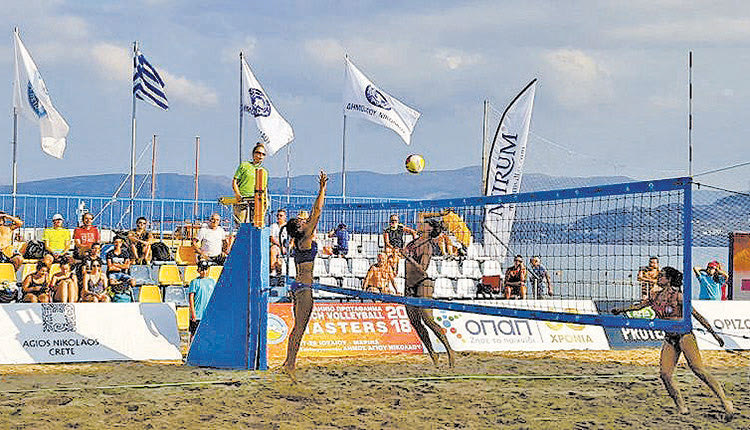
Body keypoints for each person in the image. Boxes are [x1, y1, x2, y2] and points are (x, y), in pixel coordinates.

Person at [612, 267, 734, 418]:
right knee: (665, 374)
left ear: (669, 279)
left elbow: (697, 315)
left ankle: (724, 401)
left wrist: (714, 335)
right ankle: (681, 406)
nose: (659, 277)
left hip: (684, 336)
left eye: (662, 275)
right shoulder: (655, 296)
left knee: (698, 369)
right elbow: (639, 306)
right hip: (670, 338)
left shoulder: (679, 296)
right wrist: (621, 310)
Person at [280, 170, 328, 380]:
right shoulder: (306, 238)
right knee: (299, 328)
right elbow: (317, 211)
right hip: (304, 289)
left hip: (297, 286)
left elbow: (312, 214)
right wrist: (322, 189)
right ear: (300, 227)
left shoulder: (299, 240)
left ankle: (288, 361)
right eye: (301, 220)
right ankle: (290, 364)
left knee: (297, 327)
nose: (304, 219)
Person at [402, 218, 456, 367]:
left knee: (428, 320)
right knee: (415, 322)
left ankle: (449, 350)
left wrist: (408, 257)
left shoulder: (427, 246)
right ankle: (432, 353)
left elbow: (422, 268)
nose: (420, 224)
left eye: (424, 223)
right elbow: (405, 255)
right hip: (409, 283)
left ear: (430, 229)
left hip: (423, 283)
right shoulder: (413, 242)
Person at [232, 142, 268, 225]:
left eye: (263, 154)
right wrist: (237, 194)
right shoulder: (244, 165)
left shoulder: (264, 172)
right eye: (258, 153)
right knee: (241, 226)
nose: (260, 156)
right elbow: (235, 181)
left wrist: (265, 203)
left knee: (256, 225)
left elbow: (264, 188)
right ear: (253, 153)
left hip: (257, 201)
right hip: (243, 199)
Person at [188, 260, 217, 341]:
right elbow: (191, 297)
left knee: (208, 333)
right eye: (202, 269)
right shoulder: (194, 282)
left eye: (206, 269)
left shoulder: (212, 281)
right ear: (198, 270)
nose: (204, 272)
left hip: (208, 313)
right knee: (194, 333)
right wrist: (193, 312)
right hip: (198, 313)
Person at [106, 237, 136, 302]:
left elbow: (127, 266)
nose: (117, 244)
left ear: (121, 243)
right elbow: (110, 267)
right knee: (112, 282)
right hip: (113, 274)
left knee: (133, 282)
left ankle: (123, 288)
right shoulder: (110, 253)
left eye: (119, 242)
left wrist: (116, 265)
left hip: (123, 274)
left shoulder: (125, 253)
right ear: (113, 243)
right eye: (116, 242)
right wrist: (122, 266)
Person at [269, 209, 288, 276]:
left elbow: (292, 239)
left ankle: (279, 272)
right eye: (277, 215)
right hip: (277, 246)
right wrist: (281, 246)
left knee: (279, 261)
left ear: (285, 216)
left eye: (281, 215)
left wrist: (288, 247)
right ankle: (273, 270)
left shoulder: (288, 227)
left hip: (286, 246)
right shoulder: (273, 226)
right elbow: (272, 238)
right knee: (273, 249)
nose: (279, 217)